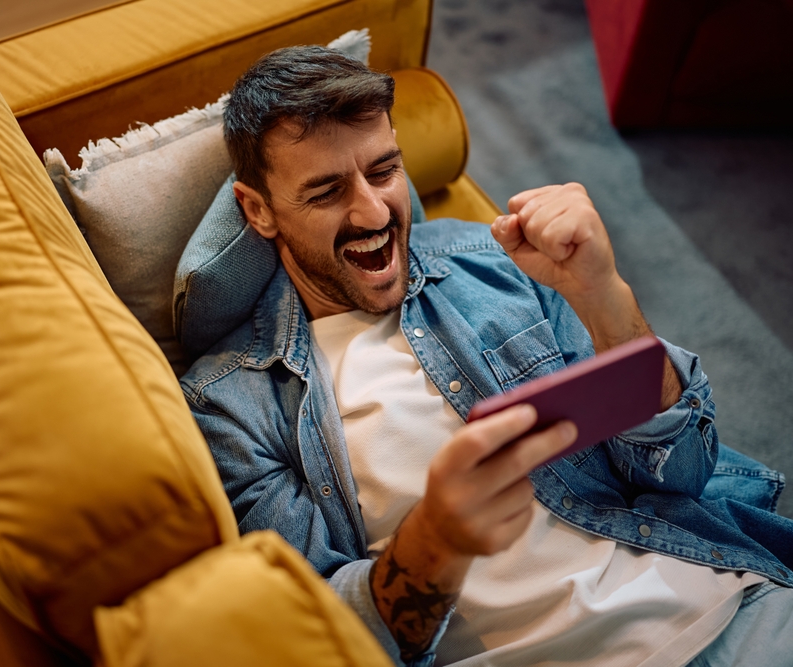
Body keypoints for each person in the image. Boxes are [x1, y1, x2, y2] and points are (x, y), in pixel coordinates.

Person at [178, 45, 793, 667]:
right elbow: (323, 637)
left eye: (384, 170)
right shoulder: (230, 404)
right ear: (259, 210)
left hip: (720, 608)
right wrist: (437, 537)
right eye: (327, 191)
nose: (373, 211)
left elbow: (680, 471)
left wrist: (605, 296)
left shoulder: (493, 261)